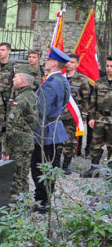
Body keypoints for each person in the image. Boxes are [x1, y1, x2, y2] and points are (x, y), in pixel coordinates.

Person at [31, 46, 71, 211]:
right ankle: (44, 199)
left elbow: (39, 109)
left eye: (48, 60)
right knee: (49, 166)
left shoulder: (51, 83)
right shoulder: (62, 80)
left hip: (45, 130)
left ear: (54, 63)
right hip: (55, 128)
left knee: (39, 167)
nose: (45, 62)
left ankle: (42, 201)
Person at [1, 69, 38, 197]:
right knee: (23, 174)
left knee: (15, 175)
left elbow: (10, 126)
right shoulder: (33, 95)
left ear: (22, 81)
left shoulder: (20, 99)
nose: (13, 79)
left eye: (15, 77)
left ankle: (15, 206)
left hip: (18, 143)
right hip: (28, 141)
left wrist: (5, 149)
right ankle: (24, 202)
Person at [58, 53, 91, 175]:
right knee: (56, 141)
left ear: (77, 64)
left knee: (70, 141)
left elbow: (86, 99)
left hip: (72, 116)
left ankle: (66, 164)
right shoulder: (60, 77)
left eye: (72, 62)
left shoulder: (82, 79)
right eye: (67, 61)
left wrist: (83, 116)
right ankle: (55, 163)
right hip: (58, 115)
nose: (69, 64)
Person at [85, 56, 112, 178]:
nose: (109, 69)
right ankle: (94, 169)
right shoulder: (99, 82)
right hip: (100, 118)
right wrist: (91, 117)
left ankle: (110, 172)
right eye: (107, 66)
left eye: (111, 66)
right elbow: (93, 101)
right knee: (95, 145)